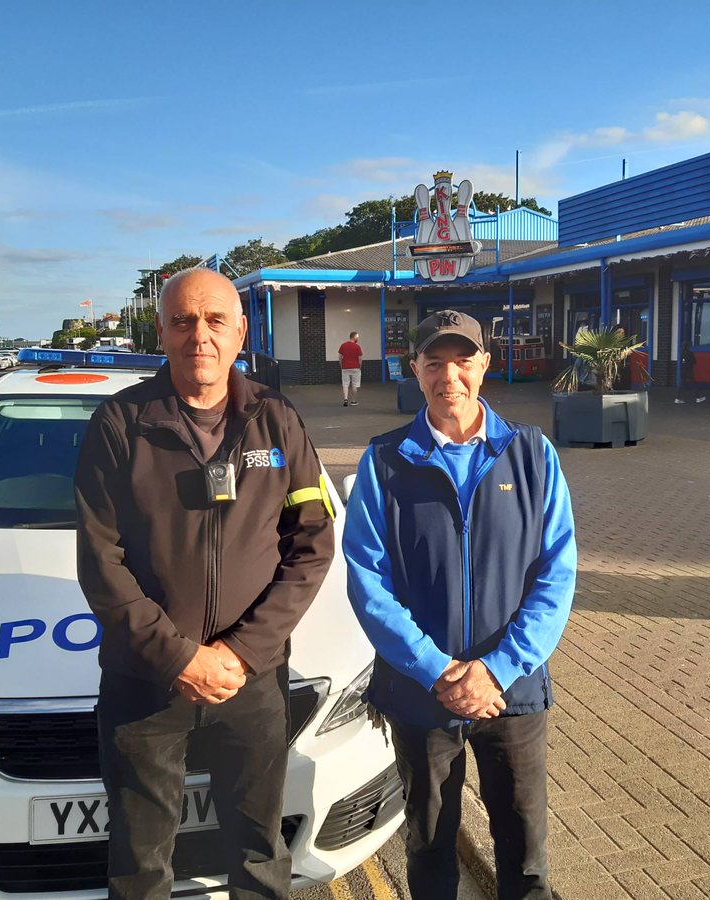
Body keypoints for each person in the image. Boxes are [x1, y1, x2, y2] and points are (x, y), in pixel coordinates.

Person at [74, 269, 335, 899]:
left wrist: (239, 653)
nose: (201, 336)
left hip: (252, 682)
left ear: (241, 331)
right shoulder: (119, 423)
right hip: (147, 683)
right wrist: (178, 656)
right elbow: (98, 561)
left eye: (216, 320)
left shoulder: (279, 420)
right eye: (184, 321)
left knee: (259, 851)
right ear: (160, 331)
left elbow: (313, 545)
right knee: (140, 861)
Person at [343, 309, 577, 900]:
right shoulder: (384, 460)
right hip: (422, 693)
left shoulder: (532, 454)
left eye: (463, 360)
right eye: (435, 362)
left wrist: (496, 669)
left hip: (513, 692)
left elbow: (557, 573)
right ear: (415, 369)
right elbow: (368, 580)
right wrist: (440, 671)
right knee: (429, 850)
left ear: (484, 366)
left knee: (525, 856)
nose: (450, 375)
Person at [338, 330, 363, 406]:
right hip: (355, 368)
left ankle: (345, 399)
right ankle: (354, 401)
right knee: (354, 385)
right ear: (354, 337)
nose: (358, 339)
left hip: (345, 367)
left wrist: (341, 365)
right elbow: (360, 358)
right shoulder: (357, 347)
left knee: (345, 384)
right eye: (357, 337)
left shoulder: (343, 345)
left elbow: (340, 357)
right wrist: (360, 367)